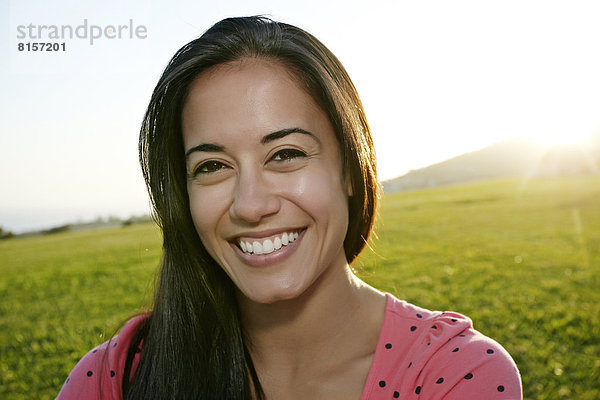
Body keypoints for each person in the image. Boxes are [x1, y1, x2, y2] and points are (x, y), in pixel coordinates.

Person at [56, 16, 522, 400]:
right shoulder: (113, 379)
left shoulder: (455, 375)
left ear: (350, 169)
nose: (250, 205)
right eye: (213, 166)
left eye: (286, 155)